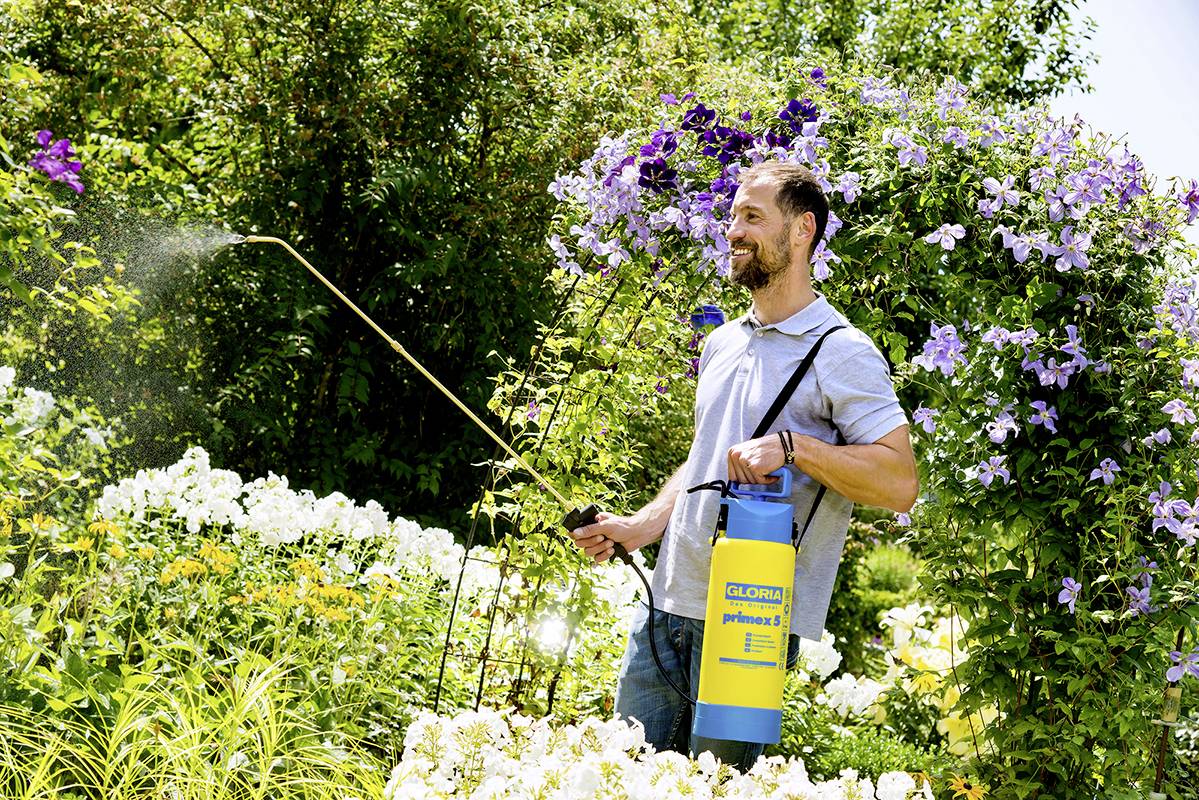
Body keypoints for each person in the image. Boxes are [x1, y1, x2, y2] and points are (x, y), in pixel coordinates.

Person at [568, 161, 918, 772]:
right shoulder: (722, 342)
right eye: (733, 216)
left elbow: (899, 483)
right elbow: (705, 458)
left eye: (753, 216)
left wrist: (796, 448)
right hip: (667, 604)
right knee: (621, 779)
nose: (734, 230)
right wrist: (640, 526)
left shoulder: (842, 350)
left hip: (749, 617)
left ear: (803, 229)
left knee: (721, 788)